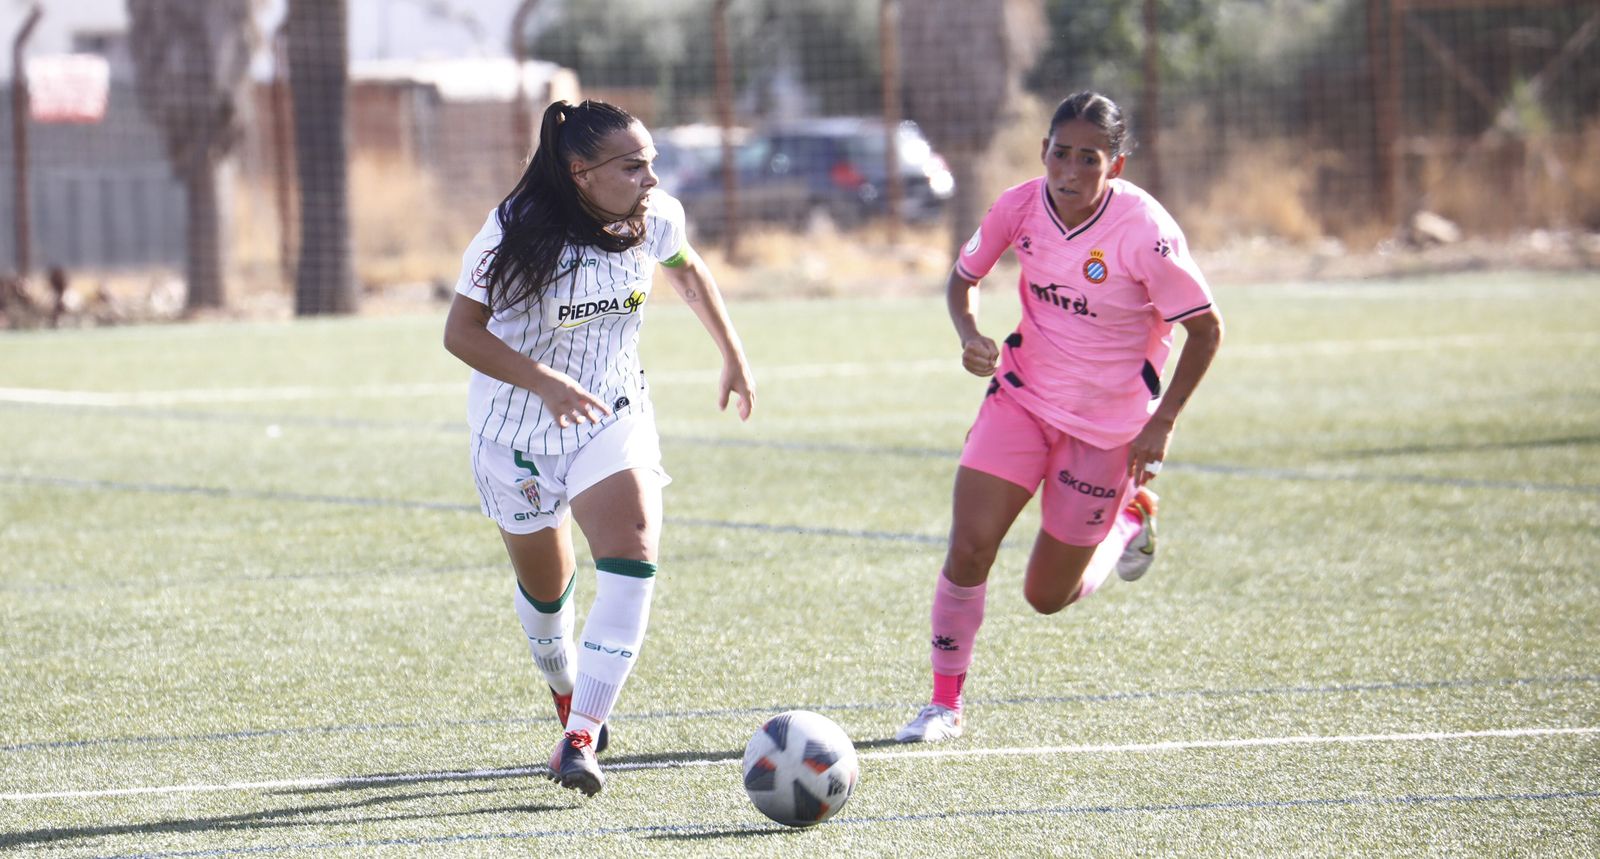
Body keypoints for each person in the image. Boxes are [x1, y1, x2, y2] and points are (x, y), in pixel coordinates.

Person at [443, 99, 755, 794]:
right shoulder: (511, 231)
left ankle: (580, 738)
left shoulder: (653, 215)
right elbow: (460, 333)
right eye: (633, 165)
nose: (650, 177)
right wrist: (544, 383)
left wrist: (732, 353)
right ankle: (564, 685)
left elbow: (689, 269)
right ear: (580, 171)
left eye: (651, 163)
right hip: (515, 434)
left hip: (613, 414)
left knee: (633, 548)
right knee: (548, 602)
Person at [895, 91, 1224, 743]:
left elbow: (1207, 330)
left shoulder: (1146, 233)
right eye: (1060, 154)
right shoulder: (1018, 206)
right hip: (1020, 396)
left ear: (1116, 167)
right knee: (969, 544)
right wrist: (970, 333)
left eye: (1089, 160)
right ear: (1043, 150)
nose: (1070, 172)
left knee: (1046, 595)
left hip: (1108, 431)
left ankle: (1129, 520)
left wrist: (1163, 423)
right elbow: (963, 280)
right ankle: (943, 704)